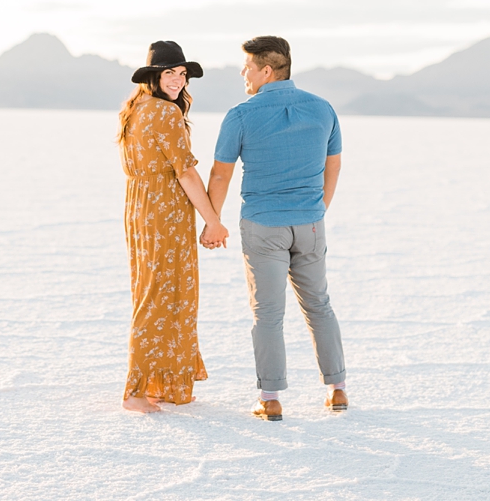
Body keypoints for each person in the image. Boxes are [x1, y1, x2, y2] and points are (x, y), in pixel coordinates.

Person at [202, 35, 347, 421]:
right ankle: (337, 391)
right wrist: (317, 211)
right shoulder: (322, 109)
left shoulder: (241, 115)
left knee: (267, 314)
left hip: (264, 226)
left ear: (266, 70)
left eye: (247, 67)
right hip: (310, 223)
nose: (242, 74)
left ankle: (270, 399)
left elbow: (220, 175)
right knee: (319, 305)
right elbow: (333, 166)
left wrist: (212, 221)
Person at [117, 40, 229, 413]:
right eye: (170, 73)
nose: (179, 80)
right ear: (153, 76)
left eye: (182, 74)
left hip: (141, 207)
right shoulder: (164, 113)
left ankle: (160, 383)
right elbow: (186, 172)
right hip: (164, 210)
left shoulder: (135, 109)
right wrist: (213, 220)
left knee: (156, 291)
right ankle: (136, 391)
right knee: (162, 295)